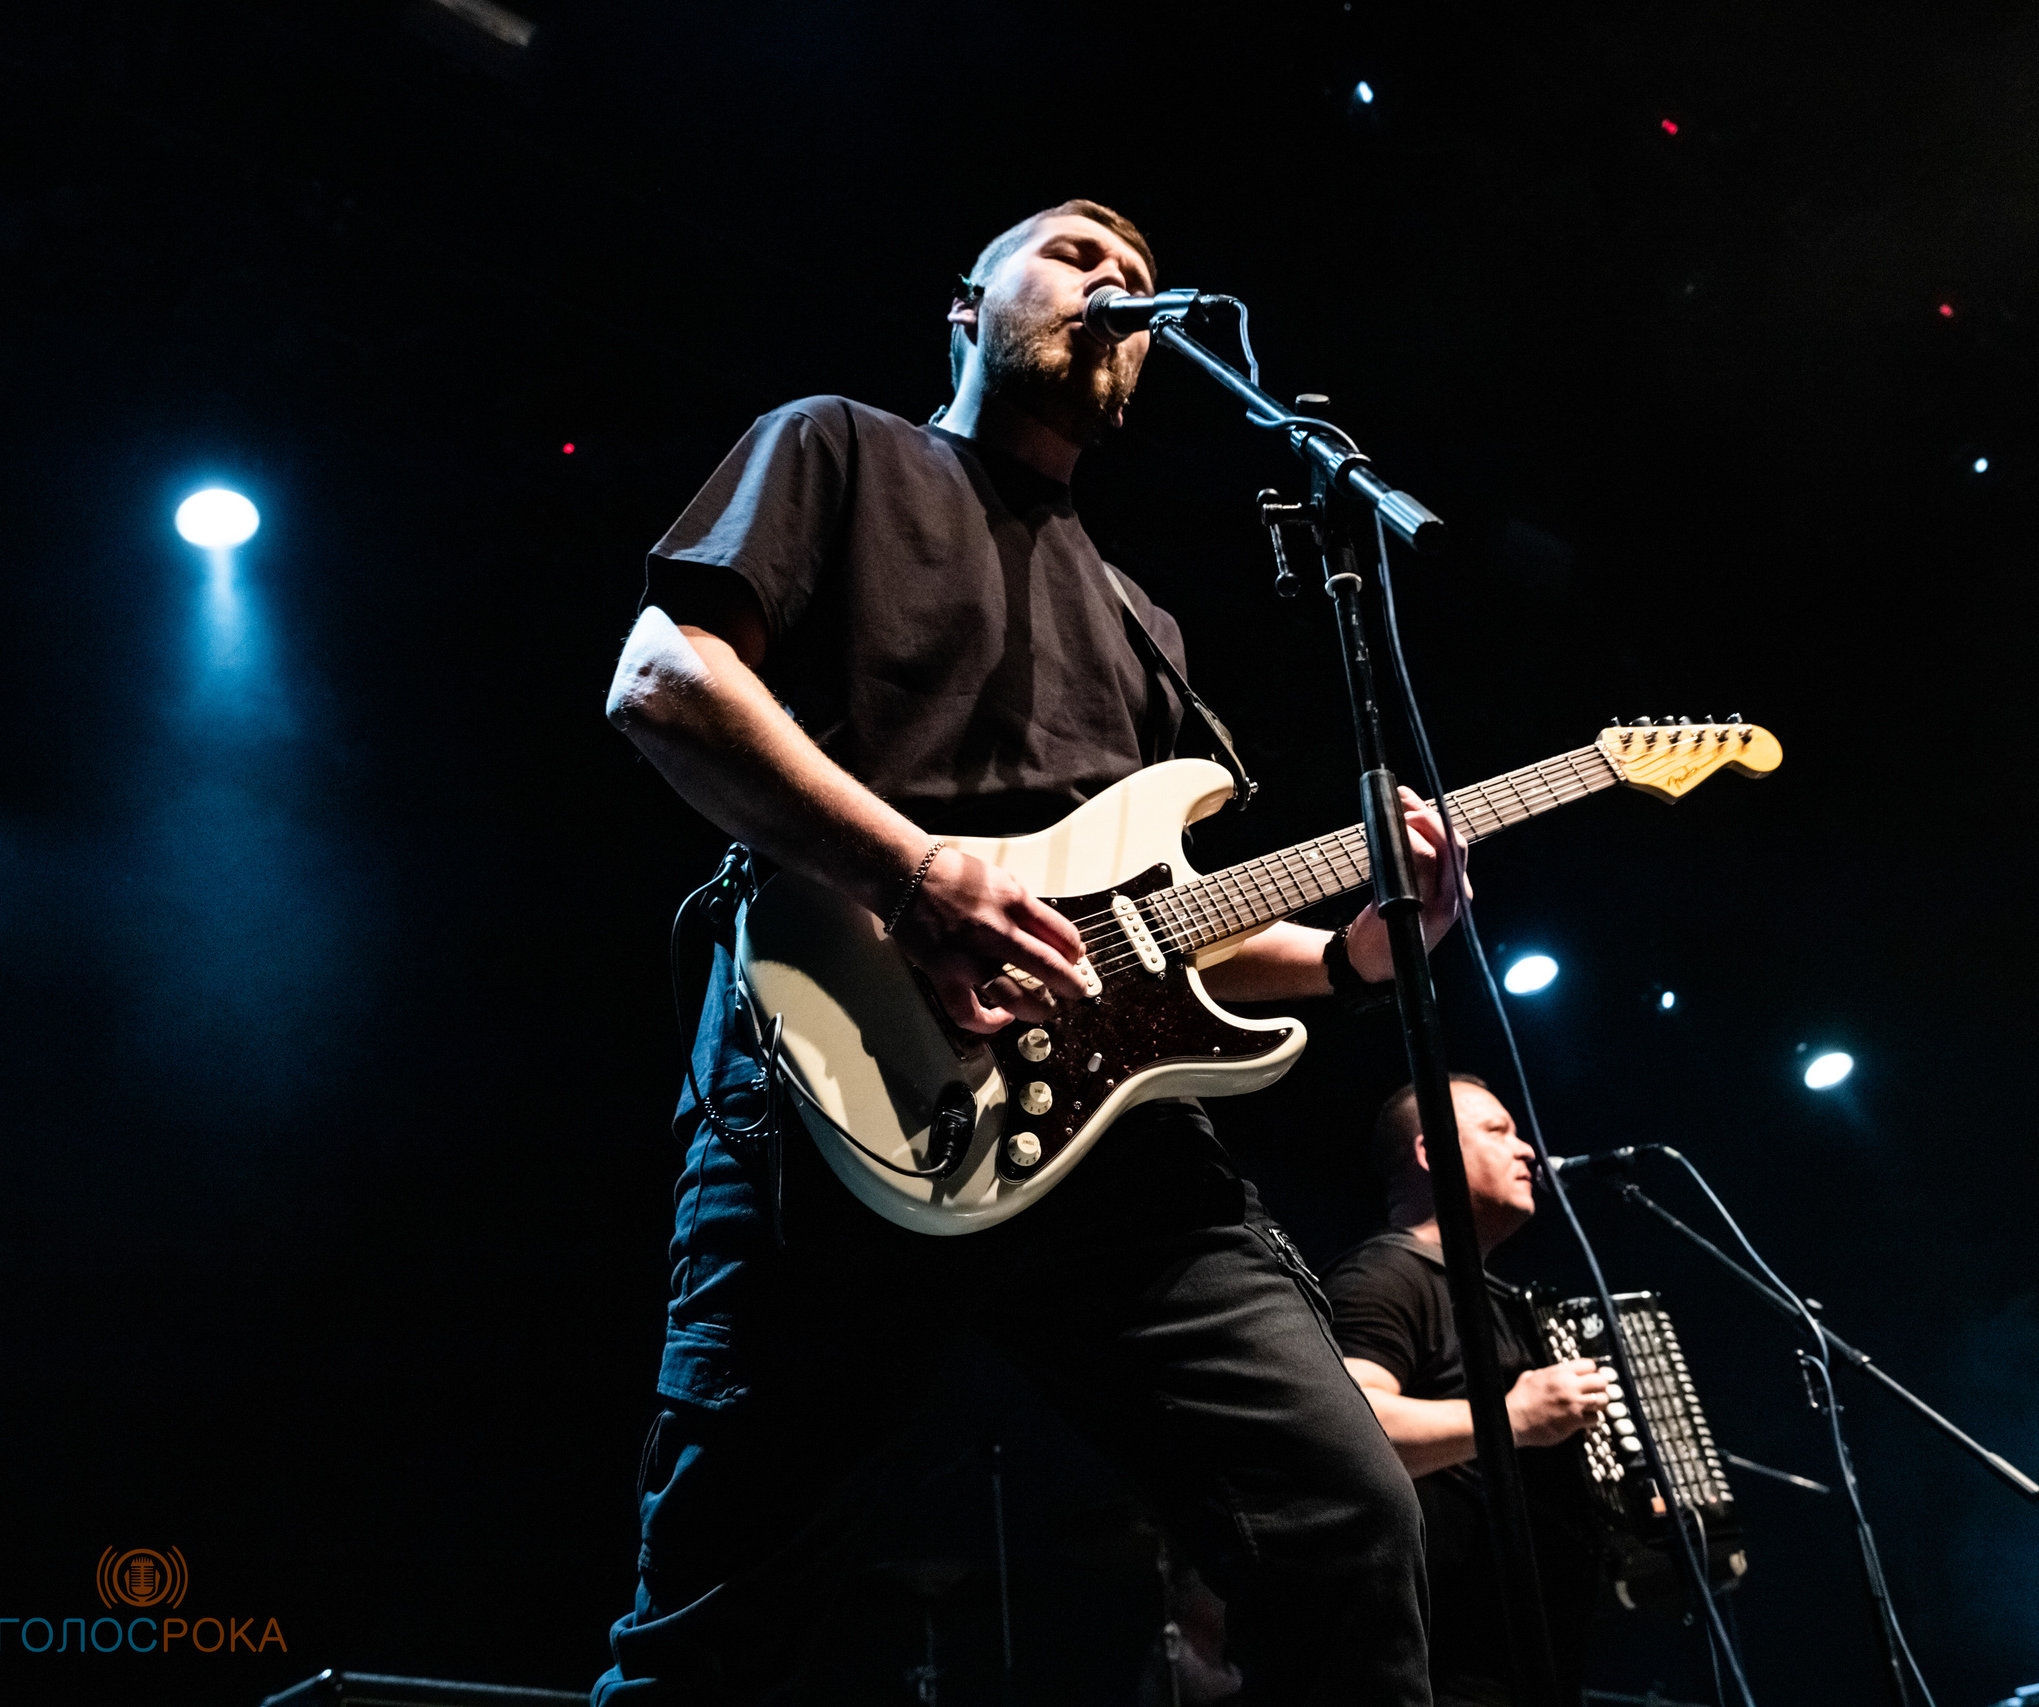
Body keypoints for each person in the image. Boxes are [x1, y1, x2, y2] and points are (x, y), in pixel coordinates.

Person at [594, 198, 1469, 1706]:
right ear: (965, 304)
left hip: (1110, 1150)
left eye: (1139, 276)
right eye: (1078, 257)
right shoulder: (840, 447)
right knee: (721, 1626)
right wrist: (914, 869)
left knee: (1343, 1509)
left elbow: (1152, 932)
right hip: (832, 1077)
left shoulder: (1144, 625)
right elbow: (662, 677)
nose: (1118, 287)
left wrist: (1355, 957)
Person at [1324, 1075, 1617, 1707]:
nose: (1528, 1151)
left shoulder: (1502, 1299)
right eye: (1497, 1132)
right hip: (1445, 1674)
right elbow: (1352, 1431)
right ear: (1432, 1154)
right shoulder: (1386, 1275)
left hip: (1532, 1665)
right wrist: (1513, 1417)